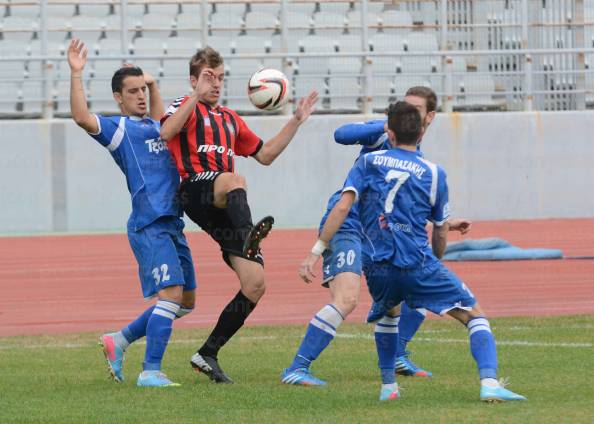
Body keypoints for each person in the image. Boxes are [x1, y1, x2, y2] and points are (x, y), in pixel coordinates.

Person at [298, 101, 526, 402]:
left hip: (378, 266)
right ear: (421, 131)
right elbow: (439, 229)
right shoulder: (432, 172)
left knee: (390, 313)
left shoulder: (369, 163)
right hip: (416, 262)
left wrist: (315, 251)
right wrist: (436, 256)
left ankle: (388, 387)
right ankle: (490, 383)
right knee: (474, 315)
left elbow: (344, 205)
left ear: (390, 132)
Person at [281, 87, 469, 386]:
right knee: (347, 298)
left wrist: (446, 222)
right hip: (348, 225)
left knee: (412, 288)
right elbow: (341, 134)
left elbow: (404, 205)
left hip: (379, 235)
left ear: (430, 117)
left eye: (415, 108)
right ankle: (297, 368)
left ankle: (396, 357)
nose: (408, 112)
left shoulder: (416, 158)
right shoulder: (384, 136)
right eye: (405, 107)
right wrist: (384, 126)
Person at [159, 46, 318, 383]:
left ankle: (207, 353)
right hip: (194, 190)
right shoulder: (183, 107)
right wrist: (194, 96)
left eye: (219, 77)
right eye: (207, 77)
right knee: (235, 179)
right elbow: (166, 132)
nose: (215, 83)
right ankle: (248, 235)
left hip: (225, 200)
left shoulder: (230, 120)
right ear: (193, 79)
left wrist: (296, 121)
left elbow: (267, 155)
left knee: (255, 284)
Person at [68, 39, 196, 387]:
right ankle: (150, 371)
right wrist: (76, 73)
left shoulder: (158, 127)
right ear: (119, 98)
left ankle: (119, 340)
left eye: (143, 89)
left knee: (185, 302)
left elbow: (158, 115)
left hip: (173, 224)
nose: (140, 95)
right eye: (132, 91)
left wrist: (152, 84)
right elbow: (81, 117)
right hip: (149, 224)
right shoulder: (119, 130)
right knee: (169, 296)